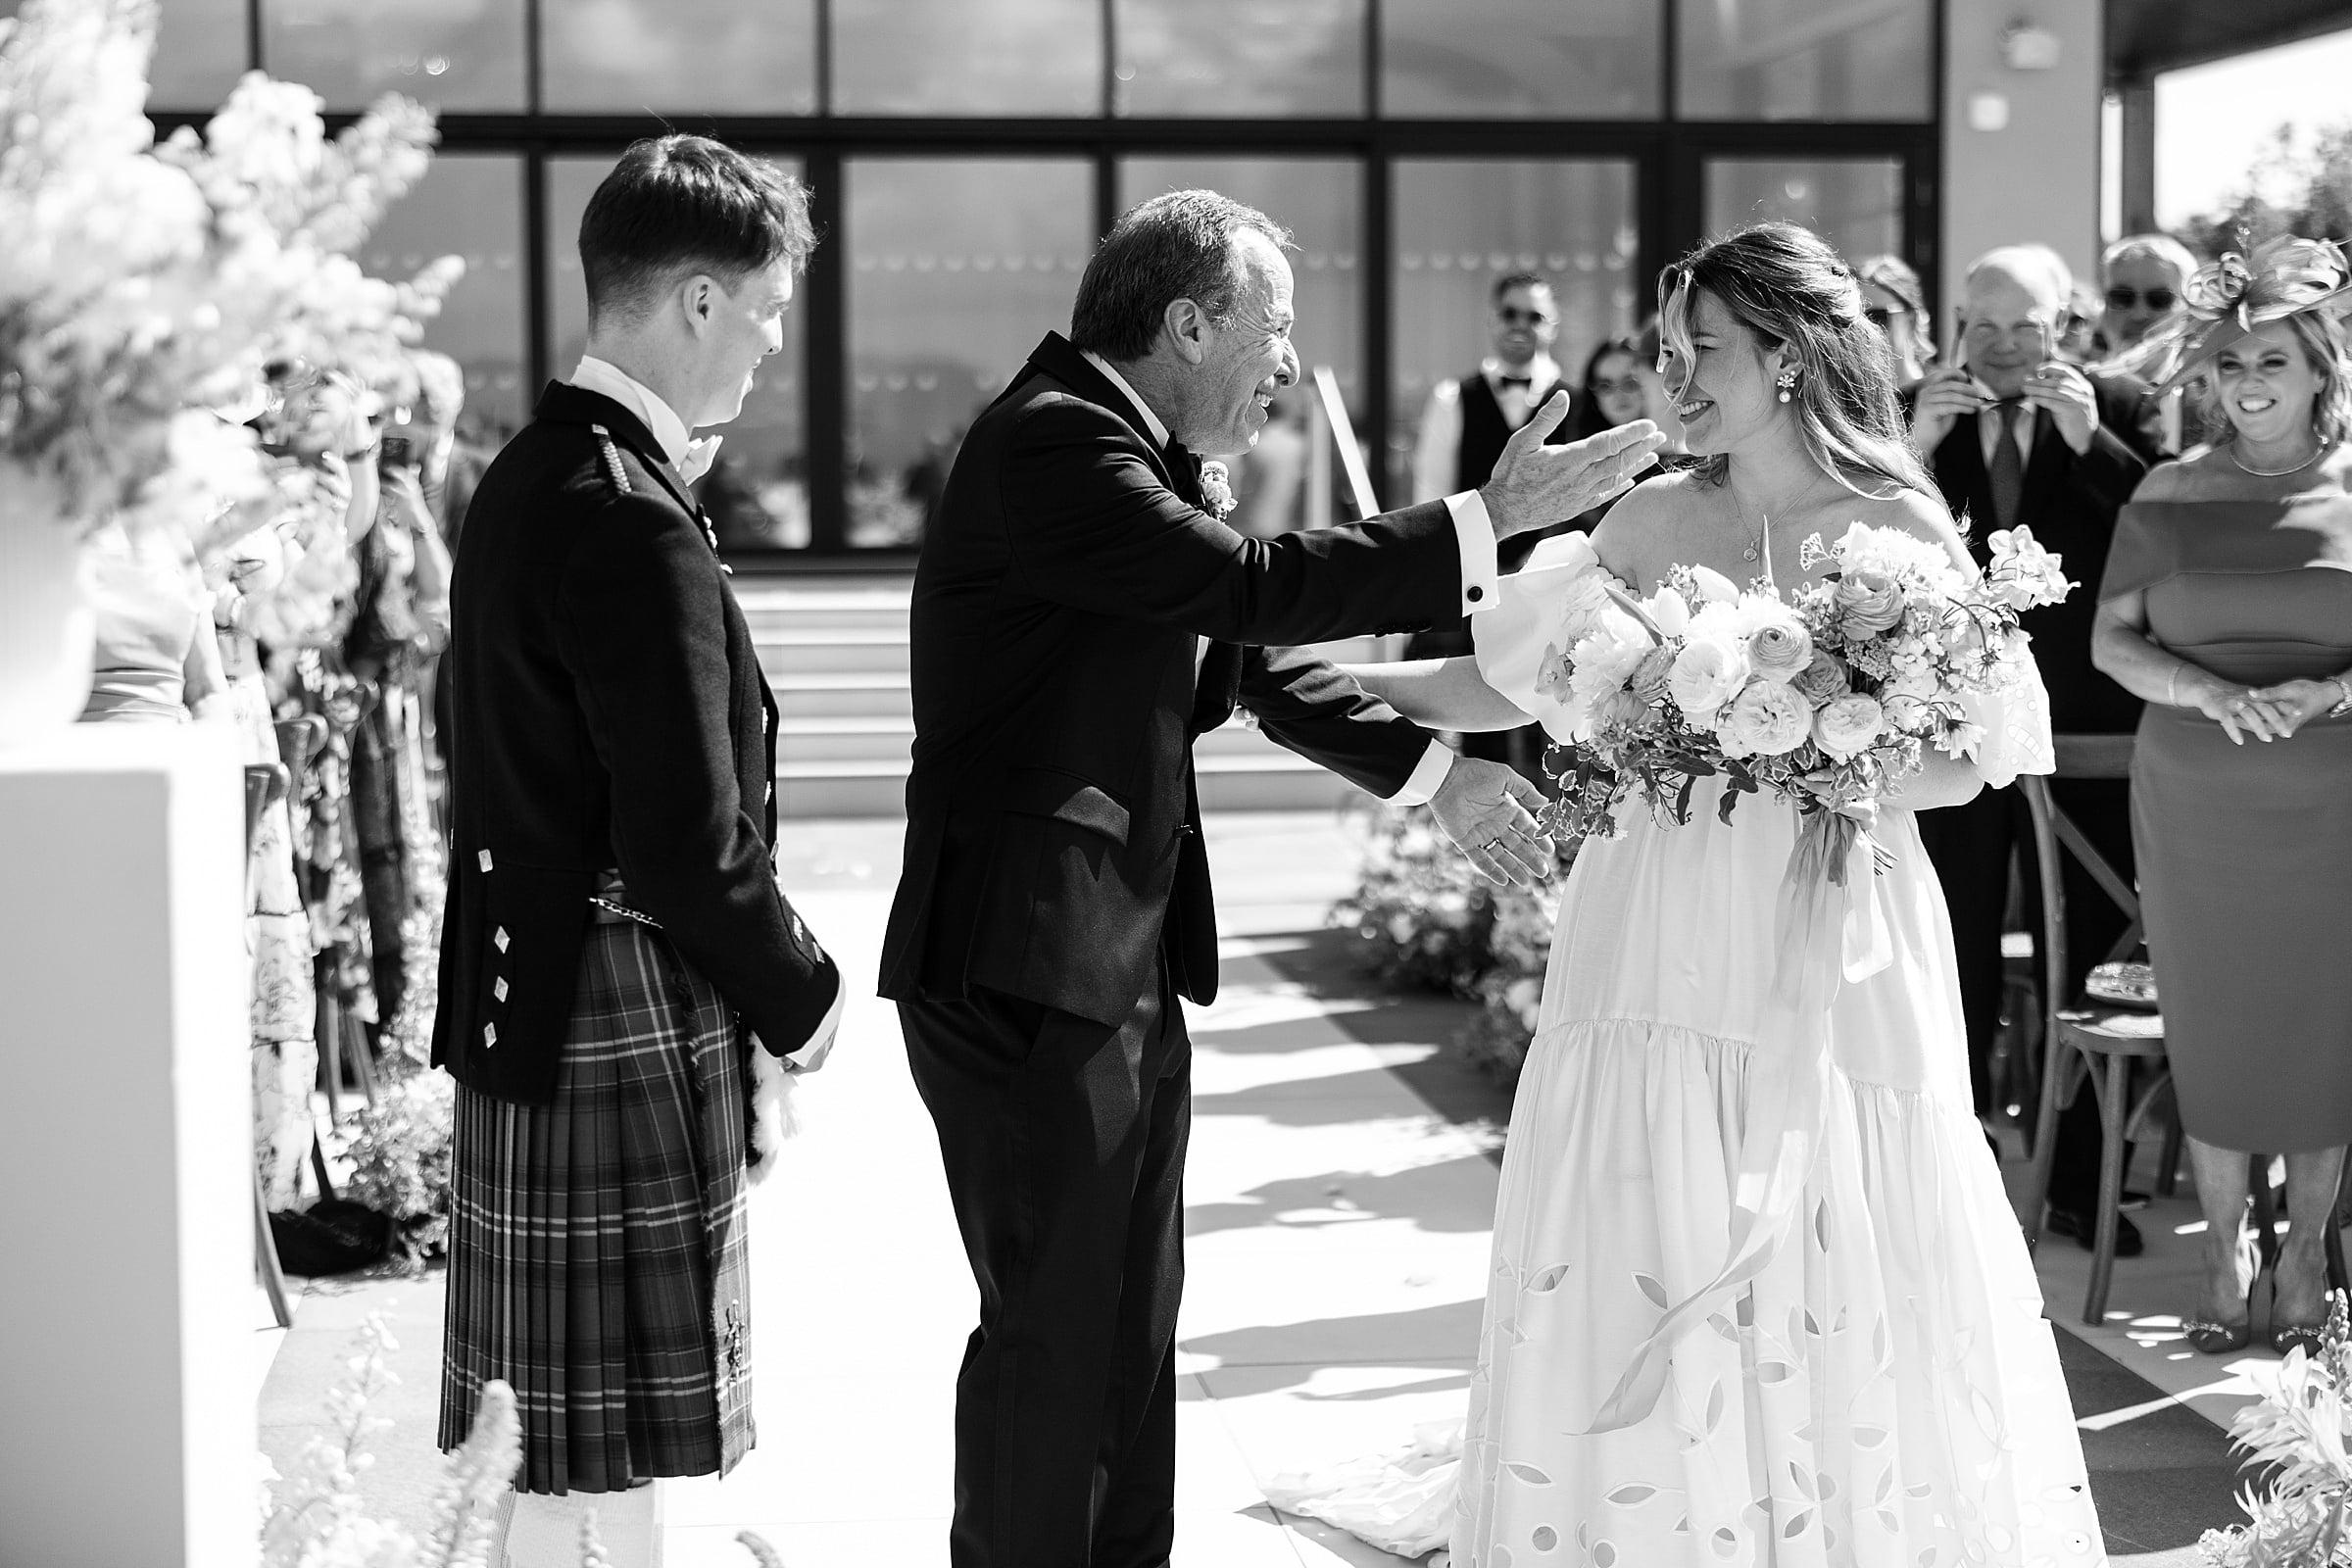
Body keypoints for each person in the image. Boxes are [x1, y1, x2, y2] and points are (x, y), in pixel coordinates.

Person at [1280, 222, 2101, 1564]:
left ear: (1788, 355)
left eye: (1700, 350)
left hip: (1834, 919)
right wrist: (1331, 686)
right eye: (1665, 352)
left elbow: (1970, 771)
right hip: (1655, 920)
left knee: (1831, 1187)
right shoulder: (1650, 516)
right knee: (1652, 1181)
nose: (1672, 378)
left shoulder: (1899, 523)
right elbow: (1515, 682)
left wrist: (1825, 741)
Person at [878, 188, 1662, 1568]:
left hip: (1105, 957)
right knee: (1056, 1333)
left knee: (1127, 1324)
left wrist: (1442, 773)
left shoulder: (1134, 442)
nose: (1289, 363)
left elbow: (1251, 666)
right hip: (1022, 956)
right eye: (1274, 325)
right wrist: (1486, 518)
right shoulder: (1058, 442)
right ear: (1188, 323)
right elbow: (1252, 590)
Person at [431, 135, 844, 1568]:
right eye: (770, 307)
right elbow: (682, 841)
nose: (775, 345)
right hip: (609, 992)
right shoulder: (622, 511)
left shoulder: (528, 477)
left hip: (530, 991)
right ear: (697, 303)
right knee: (584, 1463)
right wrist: (807, 998)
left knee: (544, 1449)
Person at [2090, 236, 2352, 1356]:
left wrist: (2326, 692)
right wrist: (2203, 687)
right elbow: (2110, 641)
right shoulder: (2167, 488)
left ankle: (2303, 1250)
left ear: (2319, 373)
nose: (2249, 383)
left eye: (2273, 365)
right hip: (2194, 795)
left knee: (2327, 1016)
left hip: (2335, 786)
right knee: (2217, 1013)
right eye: (2231, 363)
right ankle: (2225, 1244)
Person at [1907, 244, 2165, 1251]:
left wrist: (2090, 439)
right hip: (1954, 727)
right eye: (1986, 328)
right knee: (1952, 940)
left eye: (2030, 328)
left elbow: (2163, 531)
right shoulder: (1917, 410)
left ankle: (2080, 1183)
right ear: (1957, 326)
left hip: (2088, 729)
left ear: (2071, 324)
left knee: (2099, 948)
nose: (2007, 350)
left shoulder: (2123, 406)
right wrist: (1916, 446)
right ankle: (1947, 1172)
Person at [1856, 252, 1935, 390]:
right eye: (1853, 320)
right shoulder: (1846, 401)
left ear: (1911, 318)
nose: (1864, 331)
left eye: (1875, 317)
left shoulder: (1942, 394)